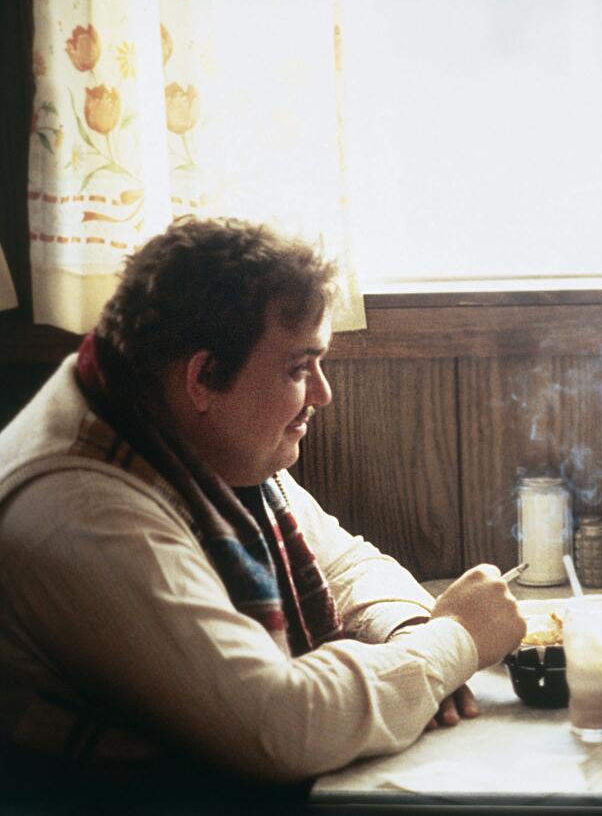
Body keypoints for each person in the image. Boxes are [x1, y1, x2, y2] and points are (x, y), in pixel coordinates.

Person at [0, 217, 526, 796]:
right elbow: (279, 727)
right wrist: (453, 641)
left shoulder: (168, 418)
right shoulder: (84, 512)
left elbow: (346, 564)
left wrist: (411, 634)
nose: (322, 394)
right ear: (203, 377)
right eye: (300, 368)